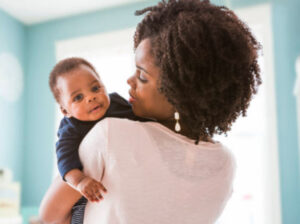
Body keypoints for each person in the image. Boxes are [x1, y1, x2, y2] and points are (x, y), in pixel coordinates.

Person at [39, 0, 261, 223]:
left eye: (142, 76)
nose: (130, 81)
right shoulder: (226, 164)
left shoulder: (112, 134)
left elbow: (49, 216)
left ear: (180, 91)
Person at [43, 57, 149, 223]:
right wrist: (80, 181)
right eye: (78, 97)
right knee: (83, 211)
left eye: (95, 88)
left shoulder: (116, 102)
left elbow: (142, 122)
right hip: (87, 190)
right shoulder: (71, 127)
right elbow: (65, 159)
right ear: (65, 110)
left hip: (121, 183)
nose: (90, 97)